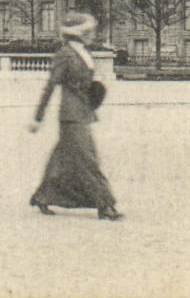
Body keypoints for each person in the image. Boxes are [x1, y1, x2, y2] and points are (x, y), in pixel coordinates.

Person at [29, 12, 122, 220]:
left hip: (83, 111)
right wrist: (38, 117)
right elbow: (50, 85)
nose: (92, 35)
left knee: (62, 159)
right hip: (71, 114)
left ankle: (43, 197)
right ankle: (105, 205)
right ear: (77, 34)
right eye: (88, 32)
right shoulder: (65, 54)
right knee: (87, 159)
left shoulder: (83, 52)